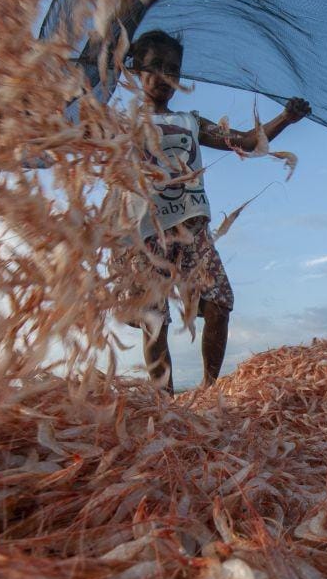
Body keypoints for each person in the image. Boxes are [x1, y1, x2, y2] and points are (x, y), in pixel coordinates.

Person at [118, 30, 310, 393]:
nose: (164, 76)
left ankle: (209, 393)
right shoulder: (120, 123)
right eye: (154, 66)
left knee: (219, 306)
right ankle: (165, 404)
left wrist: (286, 117)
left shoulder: (191, 121)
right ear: (135, 68)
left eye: (173, 69)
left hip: (192, 230)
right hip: (144, 233)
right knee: (154, 321)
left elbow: (248, 142)